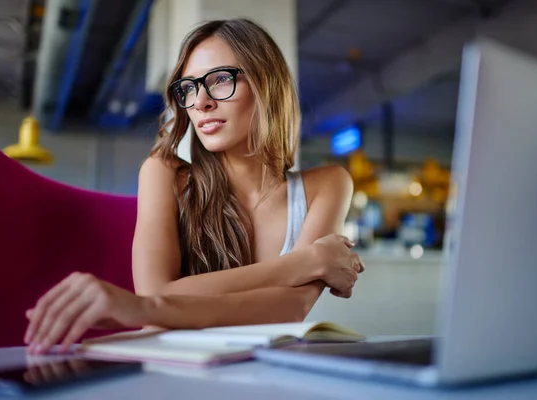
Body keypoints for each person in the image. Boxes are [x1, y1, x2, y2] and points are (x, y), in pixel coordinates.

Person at [24, 18, 364, 355]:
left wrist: (163, 302)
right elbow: (156, 292)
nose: (200, 102)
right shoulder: (163, 173)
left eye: (219, 80)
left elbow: (290, 309)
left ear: (266, 84)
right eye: (188, 88)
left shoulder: (328, 184)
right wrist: (306, 262)